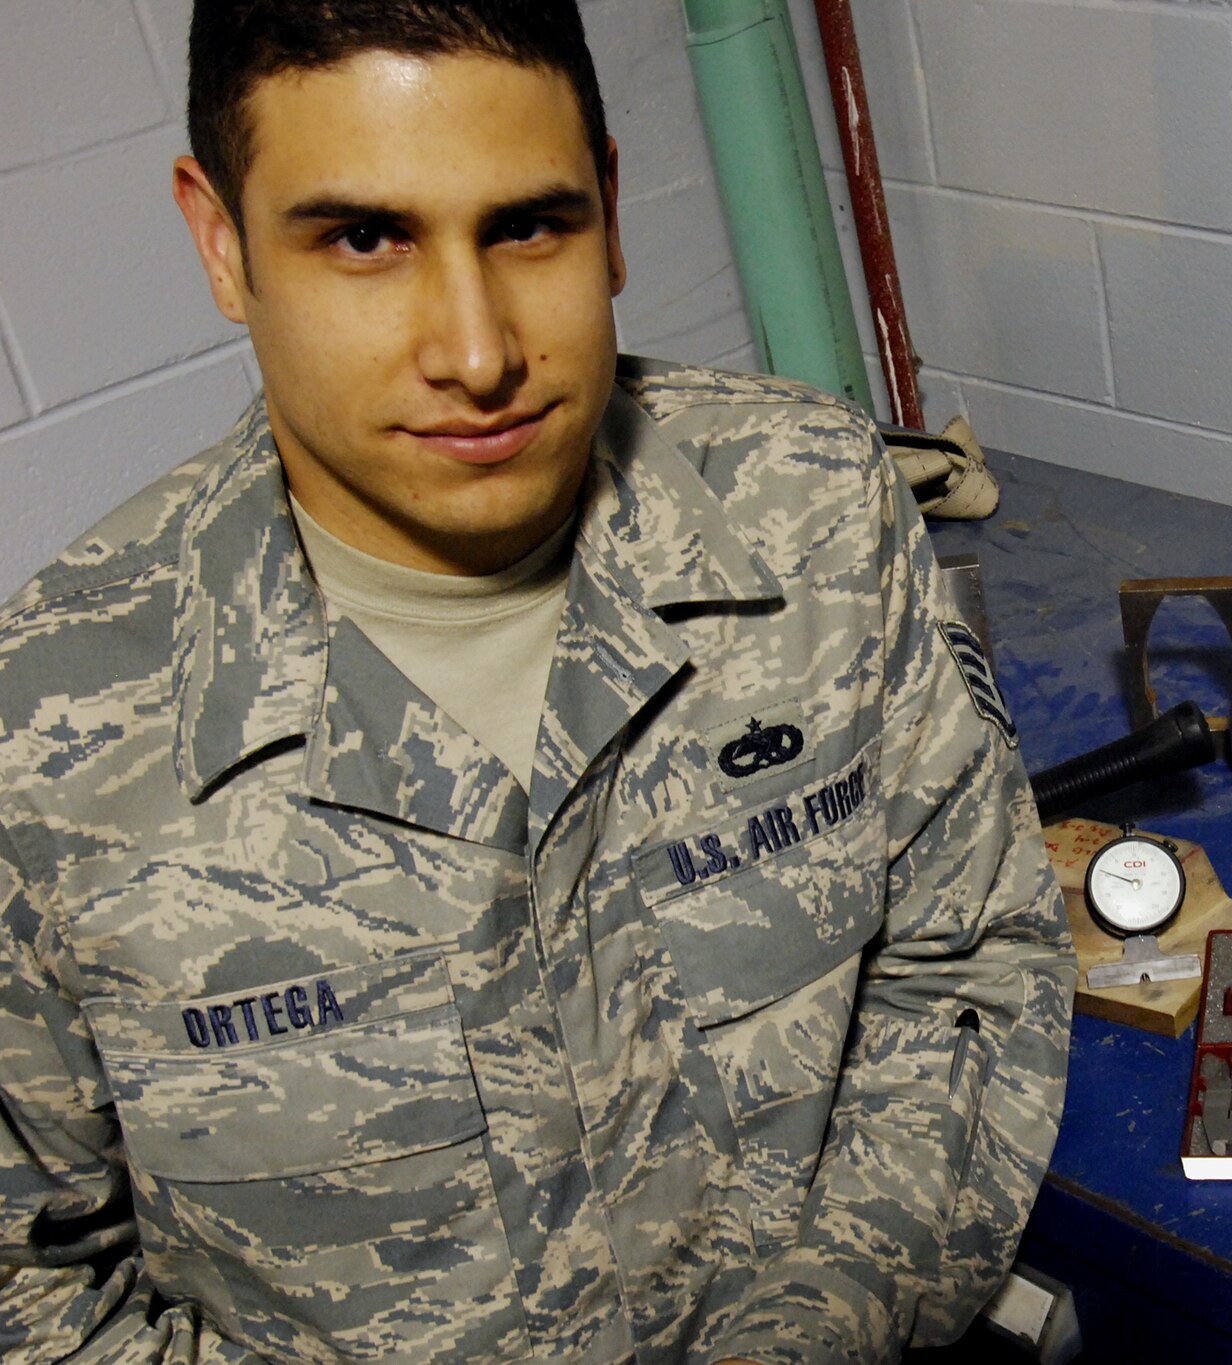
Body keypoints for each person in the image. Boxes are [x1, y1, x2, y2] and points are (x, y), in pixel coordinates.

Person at [0, 3, 1073, 1361]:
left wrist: (818, 1321)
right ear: (222, 242)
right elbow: (35, 1296)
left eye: (527, 227)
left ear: (611, 213)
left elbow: (960, 965)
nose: (478, 352)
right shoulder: (45, 744)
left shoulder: (814, 514)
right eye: (365, 238)